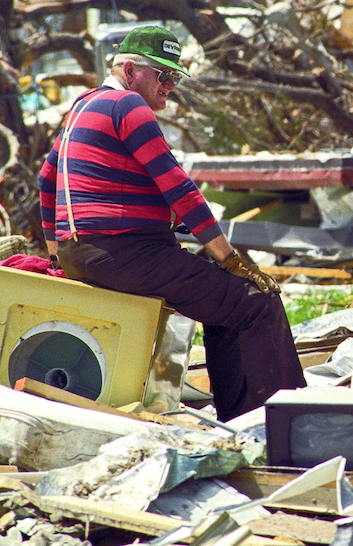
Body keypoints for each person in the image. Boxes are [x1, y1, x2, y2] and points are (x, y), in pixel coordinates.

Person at [38, 25, 306, 422]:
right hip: (127, 252)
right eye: (162, 75)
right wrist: (228, 257)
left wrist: (57, 251)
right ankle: (287, 422)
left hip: (88, 252)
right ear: (129, 71)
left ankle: (239, 417)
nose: (169, 85)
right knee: (257, 300)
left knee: (222, 305)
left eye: (174, 76)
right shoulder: (129, 106)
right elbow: (178, 186)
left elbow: (46, 177)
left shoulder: (82, 105)